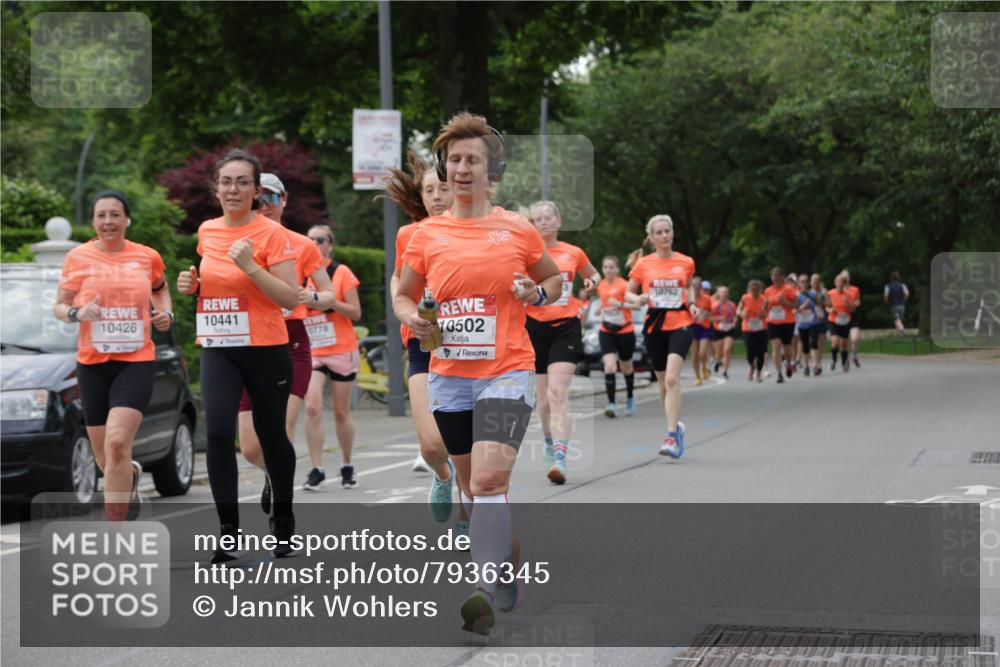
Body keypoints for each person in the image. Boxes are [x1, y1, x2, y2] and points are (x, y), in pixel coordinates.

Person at [394, 112, 562, 634]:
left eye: (474, 160)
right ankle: (503, 557)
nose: (463, 169)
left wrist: (536, 294)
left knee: (490, 480)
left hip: (508, 370)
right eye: (456, 160)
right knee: (473, 490)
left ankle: (482, 590)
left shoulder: (516, 229)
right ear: (446, 167)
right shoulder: (426, 235)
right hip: (449, 375)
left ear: (492, 170)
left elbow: (554, 283)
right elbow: (402, 295)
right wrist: (413, 320)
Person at [177, 149, 300, 561]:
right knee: (215, 433)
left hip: (266, 347)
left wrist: (251, 267)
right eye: (226, 182)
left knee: (270, 435)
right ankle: (228, 533)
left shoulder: (272, 234)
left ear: (256, 190)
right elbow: (214, 282)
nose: (233, 189)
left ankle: (282, 518)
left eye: (242, 182)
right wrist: (194, 287)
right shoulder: (207, 231)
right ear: (216, 189)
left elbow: (289, 296)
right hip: (218, 347)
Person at [54, 190, 173, 521]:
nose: (108, 221)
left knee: (118, 443)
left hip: (135, 361)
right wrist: (78, 313)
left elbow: (161, 288)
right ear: (93, 221)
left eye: (115, 214)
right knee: (106, 458)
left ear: (126, 219)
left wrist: (166, 314)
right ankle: (129, 479)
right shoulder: (77, 258)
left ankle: (115, 534)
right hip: (92, 364)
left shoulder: (147, 257)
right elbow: (60, 307)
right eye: (101, 215)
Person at [236, 173, 334, 512]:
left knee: (281, 426)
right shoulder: (238, 244)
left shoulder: (301, 244)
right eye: (258, 199)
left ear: (284, 201)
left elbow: (329, 294)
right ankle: (272, 474)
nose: (264, 206)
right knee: (249, 447)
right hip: (250, 344)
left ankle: (282, 504)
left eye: (271, 199)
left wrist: (312, 295)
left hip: (290, 344)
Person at [383, 152, 468, 532]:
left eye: (443, 188)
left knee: (469, 442)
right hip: (423, 343)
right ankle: (443, 475)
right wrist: (405, 311)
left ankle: (469, 514)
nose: (435, 196)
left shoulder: (480, 232)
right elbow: (398, 280)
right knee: (432, 445)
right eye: (428, 189)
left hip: (469, 346)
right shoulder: (409, 235)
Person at [524, 200, 599, 485]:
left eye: (547, 217)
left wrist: (592, 282)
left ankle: (560, 457)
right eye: (537, 218)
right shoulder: (527, 255)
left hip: (565, 327)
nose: (543, 222)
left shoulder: (573, 252)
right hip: (533, 328)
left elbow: (592, 274)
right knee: (542, 401)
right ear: (532, 224)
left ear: (558, 221)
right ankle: (547, 441)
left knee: (557, 394)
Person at [626, 214, 697, 458]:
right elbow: (628, 294)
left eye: (668, 231)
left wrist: (694, 304)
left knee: (672, 380)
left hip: (681, 322)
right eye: (660, 232)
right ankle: (675, 426)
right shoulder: (643, 264)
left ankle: (671, 436)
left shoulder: (686, 261)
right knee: (662, 381)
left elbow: (687, 287)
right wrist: (638, 299)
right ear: (652, 237)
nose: (665, 235)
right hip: (654, 326)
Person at [302, 225, 362, 490]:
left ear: (330, 245)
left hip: (340, 348)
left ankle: (347, 464)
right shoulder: (300, 274)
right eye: (310, 239)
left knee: (340, 411)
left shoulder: (341, 272)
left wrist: (329, 301)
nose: (314, 243)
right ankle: (317, 468)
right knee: (312, 406)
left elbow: (355, 312)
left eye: (320, 239)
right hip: (313, 349)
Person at [595, 255, 637, 418]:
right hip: (606, 330)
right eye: (605, 267)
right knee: (610, 366)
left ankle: (630, 398)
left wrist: (619, 304)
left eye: (611, 267)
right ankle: (611, 404)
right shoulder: (601, 285)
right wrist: (600, 309)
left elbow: (637, 305)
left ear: (617, 269)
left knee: (626, 367)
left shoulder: (625, 285)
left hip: (625, 331)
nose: (608, 270)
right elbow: (603, 302)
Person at [763, 267, 798, 384]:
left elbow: (796, 305)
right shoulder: (768, 291)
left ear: (782, 277)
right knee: (776, 347)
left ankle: (788, 364)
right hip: (773, 322)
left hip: (787, 322)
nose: (776, 278)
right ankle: (779, 374)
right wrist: (765, 306)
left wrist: (785, 303)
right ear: (771, 277)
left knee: (787, 347)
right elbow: (765, 308)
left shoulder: (789, 289)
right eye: (774, 276)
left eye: (778, 275)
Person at [737, 279, 768, 383]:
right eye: (752, 290)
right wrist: (742, 314)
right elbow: (738, 310)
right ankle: (752, 366)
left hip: (761, 327)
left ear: (760, 290)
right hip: (748, 327)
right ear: (749, 290)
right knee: (750, 352)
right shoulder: (745, 298)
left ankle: (758, 373)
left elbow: (768, 312)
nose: (754, 292)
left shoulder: (764, 299)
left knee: (761, 352)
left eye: (756, 290)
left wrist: (763, 314)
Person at [827, 273, 855, 372]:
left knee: (843, 343)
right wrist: (829, 310)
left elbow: (852, 310)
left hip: (845, 321)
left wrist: (847, 303)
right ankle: (833, 359)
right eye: (838, 282)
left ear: (844, 284)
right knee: (835, 341)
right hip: (833, 320)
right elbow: (827, 306)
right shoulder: (830, 293)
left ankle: (844, 360)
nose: (840, 284)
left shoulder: (849, 295)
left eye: (842, 283)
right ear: (835, 283)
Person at [709, 285, 737, 380]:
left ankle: (725, 371)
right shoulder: (714, 305)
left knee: (727, 350)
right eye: (722, 292)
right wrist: (719, 318)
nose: (724, 294)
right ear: (718, 294)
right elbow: (709, 318)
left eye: (725, 292)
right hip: (718, 329)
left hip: (729, 329)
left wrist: (734, 322)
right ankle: (717, 361)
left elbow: (735, 316)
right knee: (719, 353)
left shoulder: (732, 304)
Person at [795, 273, 819, 377]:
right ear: (798, 283)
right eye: (802, 281)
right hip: (802, 324)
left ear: (809, 283)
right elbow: (793, 311)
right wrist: (804, 306)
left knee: (814, 342)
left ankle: (815, 365)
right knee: (805, 346)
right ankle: (806, 366)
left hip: (813, 322)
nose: (804, 283)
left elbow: (820, 306)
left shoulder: (814, 294)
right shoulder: (796, 296)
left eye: (806, 281)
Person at [690, 278, 714, 385]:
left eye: (698, 285)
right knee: (694, 354)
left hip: (704, 327)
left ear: (701, 287)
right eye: (694, 285)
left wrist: (705, 315)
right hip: (692, 327)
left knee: (702, 352)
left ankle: (704, 367)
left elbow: (711, 313)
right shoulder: (688, 299)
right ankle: (697, 376)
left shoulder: (707, 298)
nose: (696, 287)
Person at [841, 269, 862, 367]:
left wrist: (855, 304)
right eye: (844, 277)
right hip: (843, 317)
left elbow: (858, 302)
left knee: (855, 338)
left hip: (853, 315)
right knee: (846, 341)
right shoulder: (838, 291)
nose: (846, 279)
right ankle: (846, 358)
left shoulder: (855, 289)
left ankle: (854, 355)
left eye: (847, 276)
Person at [808, 273, 828, 375]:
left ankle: (818, 361)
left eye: (817, 282)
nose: (815, 284)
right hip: (811, 320)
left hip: (822, 319)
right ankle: (815, 364)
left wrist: (821, 302)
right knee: (813, 341)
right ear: (811, 283)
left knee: (820, 342)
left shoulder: (823, 292)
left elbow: (829, 303)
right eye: (814, 282)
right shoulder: (808, 293)